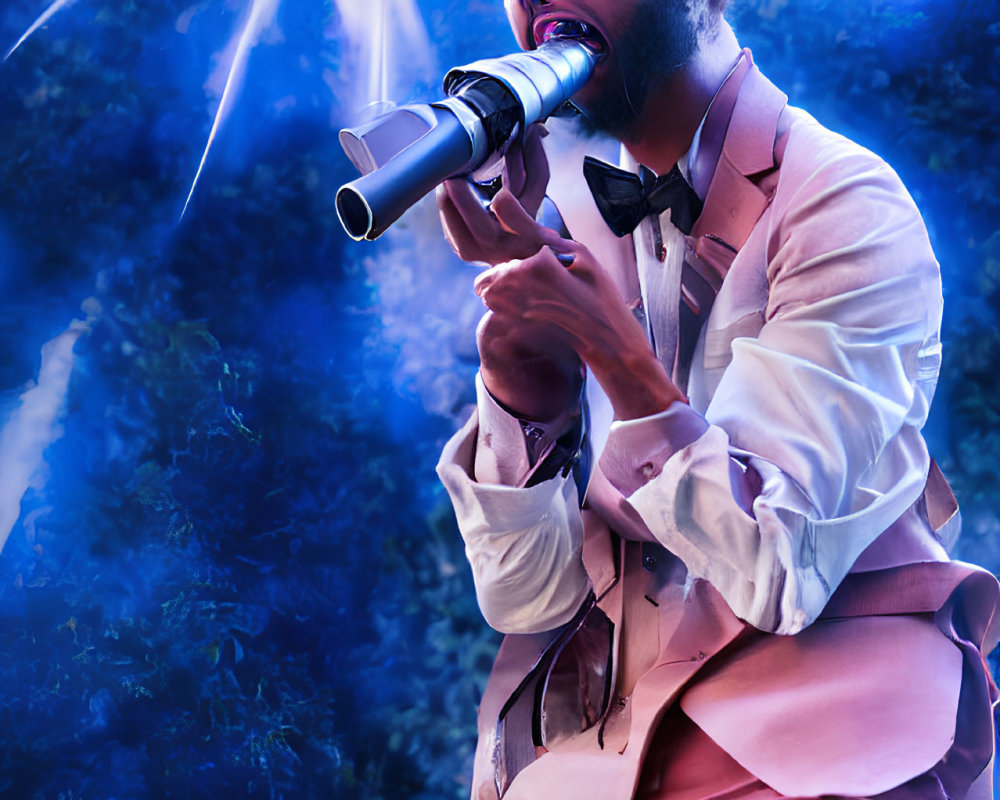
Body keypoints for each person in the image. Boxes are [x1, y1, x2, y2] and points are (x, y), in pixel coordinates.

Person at [434, 1, 1000, 798]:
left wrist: (614, 357)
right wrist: (529, 392)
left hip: (832, 736)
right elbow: (526, 599)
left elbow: (775, 571)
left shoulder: (846, 202)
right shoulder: (561, 206)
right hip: (631, 739)